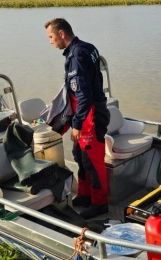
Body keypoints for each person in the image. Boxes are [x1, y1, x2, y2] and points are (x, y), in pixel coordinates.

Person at [45, 18, 110, 219]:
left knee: (93, 160)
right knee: (80, 156)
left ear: (62, 34)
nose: (50, 41)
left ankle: (100, 204)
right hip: (87, 112)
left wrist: (77, 124)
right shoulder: (88, 48)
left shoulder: (77, 56)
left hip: (89, 115)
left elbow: (83, 94)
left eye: (51, 37)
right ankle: (84, 195)